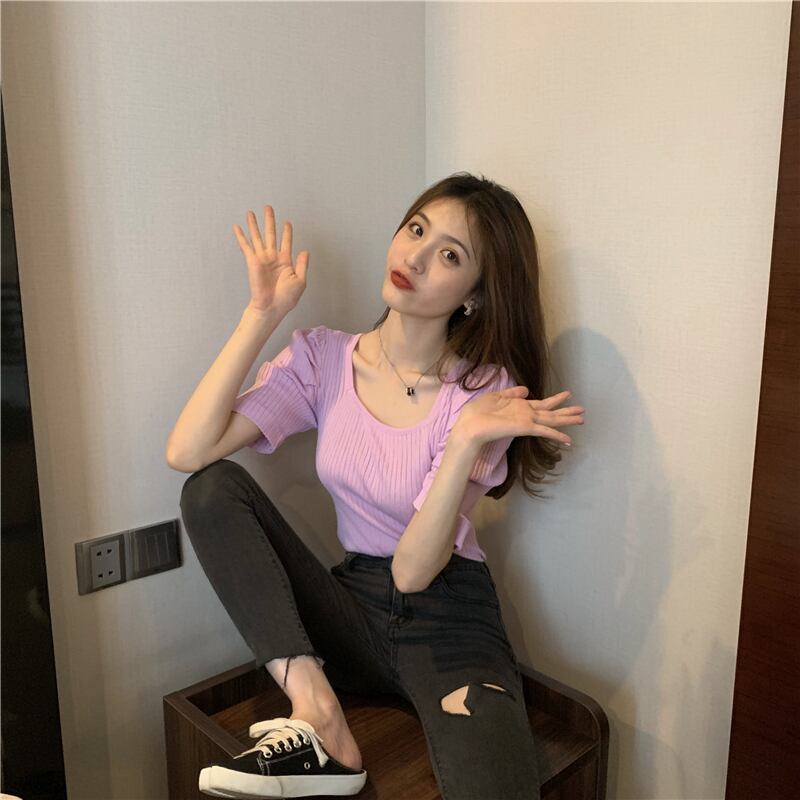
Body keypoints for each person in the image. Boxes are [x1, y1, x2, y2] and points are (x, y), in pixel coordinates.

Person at [167, 172, 586, 799]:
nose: (415, 257)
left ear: (475, 295)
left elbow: (414, 573)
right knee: (210, 489)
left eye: (450, 255)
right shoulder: (323, 359)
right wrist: (262, 314)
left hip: (450, 618)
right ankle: (321, 719)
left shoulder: (485, 396)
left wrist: (464, 440)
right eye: (416, 229)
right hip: (353, 608)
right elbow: (188, 452)